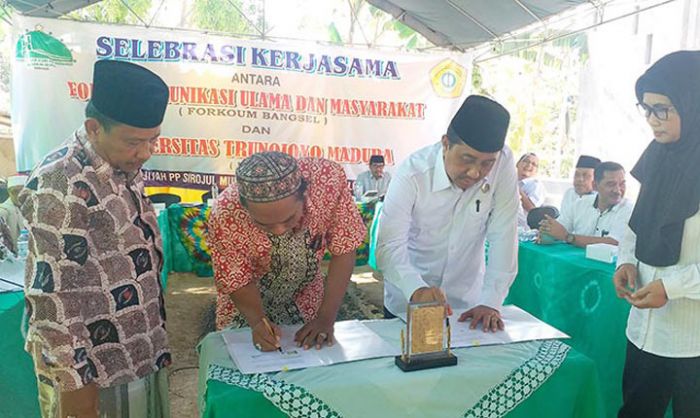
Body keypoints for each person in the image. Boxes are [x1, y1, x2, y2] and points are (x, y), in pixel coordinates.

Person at [17, 60, 171, 418]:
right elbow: (52, 295)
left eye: (154, 139)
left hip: (137, 349)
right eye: (135, 142)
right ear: (93, 127)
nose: (146, 152)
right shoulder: (62, 181)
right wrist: (77, 387)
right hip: (93, 370)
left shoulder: (121, 161)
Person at [377, 94, 518, 332]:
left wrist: (491, 301)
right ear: (445, 144)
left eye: (486, 164)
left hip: (469, 307)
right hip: (407, 301)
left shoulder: (503, 162)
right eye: (467, 159)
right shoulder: (413, 173)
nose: (475, 172)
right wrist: (416, 289)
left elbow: (504, 233)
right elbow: (389, 246)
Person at [613, 50, 700, 418]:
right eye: (646, 108)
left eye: (663, 109)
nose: (652, 120)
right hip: (644, 332)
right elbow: (637, 223)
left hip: (692, 342)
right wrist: (626, 261)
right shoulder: (657, 155)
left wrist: (672, 287)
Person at [208, 151, 366, 351]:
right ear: (244, 208)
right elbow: (235, 278)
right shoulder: (225, 212)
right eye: (264, 224)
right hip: (246, 307)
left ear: (304, 194)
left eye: (289, 219)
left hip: (307, 300)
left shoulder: (328, 181)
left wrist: (325, 317)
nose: (279, 231)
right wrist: (257, 323)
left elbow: (345, 247)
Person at [538, 161, 632, 247]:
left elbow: (614, 243)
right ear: (595, 186)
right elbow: (559, 229)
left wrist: (568, 237)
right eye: (611, 184)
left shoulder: (628, 209)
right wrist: (547, 231)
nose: (618, 190)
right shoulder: (580, 203)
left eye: (622, 184)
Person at [559, 155, 601, 220]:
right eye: (577, 175)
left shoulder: (601, 199)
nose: (580, 179)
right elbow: (563, 220)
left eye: (586, 176)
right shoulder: (570, 193)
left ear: (596, 180)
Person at [516, 153, 546, 228]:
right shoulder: (507, 181)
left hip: (522, 228)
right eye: (526, 161)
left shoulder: (536, 185)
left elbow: (532, 209)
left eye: (534, 164)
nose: (529, 165)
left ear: (536, 170)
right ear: (517, 164)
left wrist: (515, 188)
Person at [0, 174, 28, 248]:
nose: (19, 195)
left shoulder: (32, 208)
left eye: (22, 191)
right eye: (15, 192)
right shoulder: (3, 210)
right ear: (9, 192)